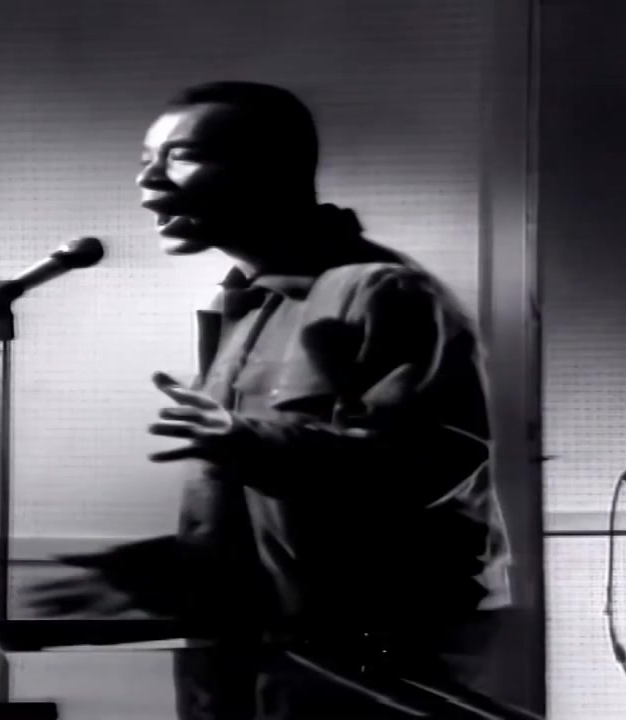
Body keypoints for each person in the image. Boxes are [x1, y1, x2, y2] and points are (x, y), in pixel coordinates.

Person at [26, 81, 509, 659]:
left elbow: (432, 467)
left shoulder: (381, 291)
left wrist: (250, 442)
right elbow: (287, 516)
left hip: (366, 658)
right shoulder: (242, 306)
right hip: (252, 654)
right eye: (146, 160)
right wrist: (160, 570)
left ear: (273, 170)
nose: (148, 180)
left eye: (182, 156)